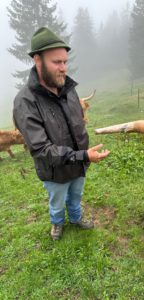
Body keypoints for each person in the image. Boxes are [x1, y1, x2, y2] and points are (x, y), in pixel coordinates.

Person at [13, 27, 110, 240]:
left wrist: (83, 155)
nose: (63, 68)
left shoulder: (69, 89)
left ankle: (75, 218)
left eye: (65, 62)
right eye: (57, 62)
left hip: (79, 165)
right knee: (57, 202)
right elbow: (41, 149)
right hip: (54, 173)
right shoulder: (25, 102)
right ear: (37, 60)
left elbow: (78, 124)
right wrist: (83, 155)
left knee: (76, 197)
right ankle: (57, 223)